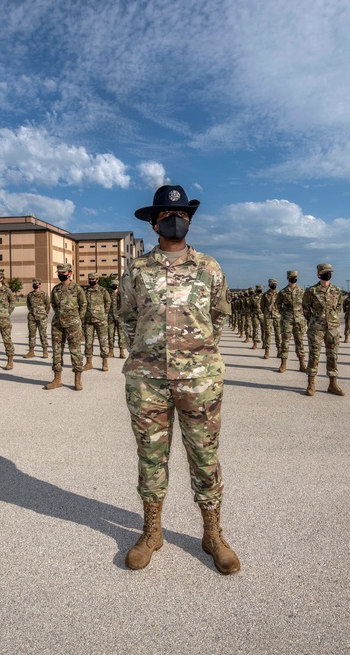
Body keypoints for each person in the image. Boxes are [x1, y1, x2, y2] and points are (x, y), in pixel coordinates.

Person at [120, 185, 238, 575]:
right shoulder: (136, 270)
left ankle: (212, 534)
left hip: (199, 379)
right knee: (151, 456)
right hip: (147, 379)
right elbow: (127, 317)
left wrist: (198, 353)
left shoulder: (209, 267)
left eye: (184, 215)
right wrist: (146, 352)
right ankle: (152, 532)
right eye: (169, 215)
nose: (177, 220)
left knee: (204, 456)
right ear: (155, 222)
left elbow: (219, 315)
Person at [303, 263, 345, 396]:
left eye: (329, 271)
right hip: (316, 328)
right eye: (325, 272)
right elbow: (305, 308)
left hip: (332, 328)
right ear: (318, 274)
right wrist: (315, 320)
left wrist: (331, 319)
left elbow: (338, 306)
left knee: (333, 356)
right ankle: (311, 383)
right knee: (314, 356)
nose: (328, 273)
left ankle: (333, 384)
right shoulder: (311, 291)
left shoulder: (337, 290)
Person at [45, 263, 86, 390]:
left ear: (69, 273)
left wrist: (77, 319)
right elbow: (54, 304)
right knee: (57, 352)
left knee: (75, 352)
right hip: (58, 324)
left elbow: (83, 305)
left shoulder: (77, 289)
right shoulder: (56, 289)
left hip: (73, 324)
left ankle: (77, 380)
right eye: (59, 273)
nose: (60, 275)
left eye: (63, 273)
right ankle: (57, 379)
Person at [277, 270, 306, 373]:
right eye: (292, 277)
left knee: (300, 342)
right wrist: (284, 314)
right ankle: (283, 364)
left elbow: (306, 305)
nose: (294, 278)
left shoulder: (302, 291)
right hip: (287, 320)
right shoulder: (283, 292)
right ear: (287, 278)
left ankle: (302, 363)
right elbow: (278, 305)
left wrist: (303, 316)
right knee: (285, 342)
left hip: (299, 320)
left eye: (295, 276)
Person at [82, 272, 112, 371]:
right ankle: (89, 362)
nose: (91, 281)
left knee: (103, 341)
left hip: (100, 320)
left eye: (93, 279)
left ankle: (105, 362)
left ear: (97, 280)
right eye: (90, 279)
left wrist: (104, 313)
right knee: (88, 342)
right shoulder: (86, 292)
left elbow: (108, 301)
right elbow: (82, 303)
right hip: (88, 320)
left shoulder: (103, 291)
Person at [24, 278, 50, 358]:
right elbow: (28, 304)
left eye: (37, 283)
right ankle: (31, 351)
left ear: (40, 284)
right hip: (32, 317)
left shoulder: (44, 294)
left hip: (41, 317)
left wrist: (44, 313)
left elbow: (48, 305)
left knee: (43, 334)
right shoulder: (30, 295)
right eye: (34, 283)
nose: (35, 284)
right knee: (31, 334)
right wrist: (32, 311)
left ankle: (45, 351)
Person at [261, 279, 282, 360]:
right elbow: (262, 306)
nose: (274, 285)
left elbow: (281, 305)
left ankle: (279, 350)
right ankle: (267, 351)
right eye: (272, 283)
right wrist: (266, 313)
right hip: (268, 316)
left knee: (278, 334)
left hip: (277, 316)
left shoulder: (279, 294)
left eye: (275, 283)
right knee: (268, 334)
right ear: (269, 285)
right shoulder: (265, 295)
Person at [107, 280, 126, 359]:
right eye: (113, 284)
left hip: (120, 317)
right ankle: (111, 351)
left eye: (116, 284)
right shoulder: (109, 294)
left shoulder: (122, 295)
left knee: (121, 335)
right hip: (111, 317)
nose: (114, 286)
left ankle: (122, 351)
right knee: (110, 334)